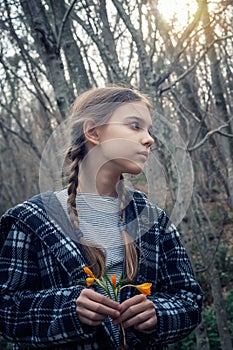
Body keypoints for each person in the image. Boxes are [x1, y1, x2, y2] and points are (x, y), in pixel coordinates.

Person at [0, 86, 203, 350]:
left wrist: (158, 313)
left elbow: (188, 299)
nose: (149, 139)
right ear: (93, 132)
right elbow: (6, 309)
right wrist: (68, 309)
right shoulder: (31, 220)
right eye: (135, 125)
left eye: (149, 130)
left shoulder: (154, 220)